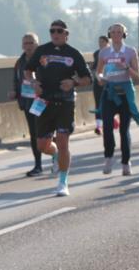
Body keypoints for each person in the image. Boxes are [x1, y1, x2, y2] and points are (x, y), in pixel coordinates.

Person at [23, 20, 93, 197]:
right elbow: (28, 70)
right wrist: (33, 82)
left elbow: (87, 79)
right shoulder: (42, 50)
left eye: (59, 31)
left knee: (63, 142)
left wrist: (74, 82)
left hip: (65, 102)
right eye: (52, 31)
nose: (55, 33)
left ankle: (63, 182)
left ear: (66, 34)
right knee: (42, 145)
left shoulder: (73, 54)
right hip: (44, 102)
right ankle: (54, 154)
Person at [96, 23, 139, 176]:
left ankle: (126, 161)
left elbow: (138, 77)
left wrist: (126, 67)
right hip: (109, 92)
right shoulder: (104, 52)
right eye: (113, 32)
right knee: (107, 127)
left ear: (124, 34)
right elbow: (98, 73)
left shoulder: (130, 51)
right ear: (109, 34)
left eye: (119, 32)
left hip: (125, 93)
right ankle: (108, 157)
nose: (116, 35)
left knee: (124, 130)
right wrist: (101, 79)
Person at [11, 33, 44, 176]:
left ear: (37, 44)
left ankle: (56, 157)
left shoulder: (43, 60)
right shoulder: (20, 62)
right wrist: (13, 91)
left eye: (31, 43)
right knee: (34, 133)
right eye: (26, 43)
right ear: (22, 46)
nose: (28, 46)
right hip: (27, 102)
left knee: (46, 132)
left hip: (42, 101)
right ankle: (38, 165)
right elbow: (16, 79)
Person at [91, 35, 109, 135]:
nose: (100, 43)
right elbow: (94, 68)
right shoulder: (96, 53)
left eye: (102, 41)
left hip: (110, 82)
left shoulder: (112, 52)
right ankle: (98, 126)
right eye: (99, 41)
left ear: (107, 42)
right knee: (98, 103)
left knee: (110, 103)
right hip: (98, 82)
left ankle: (112, 120)